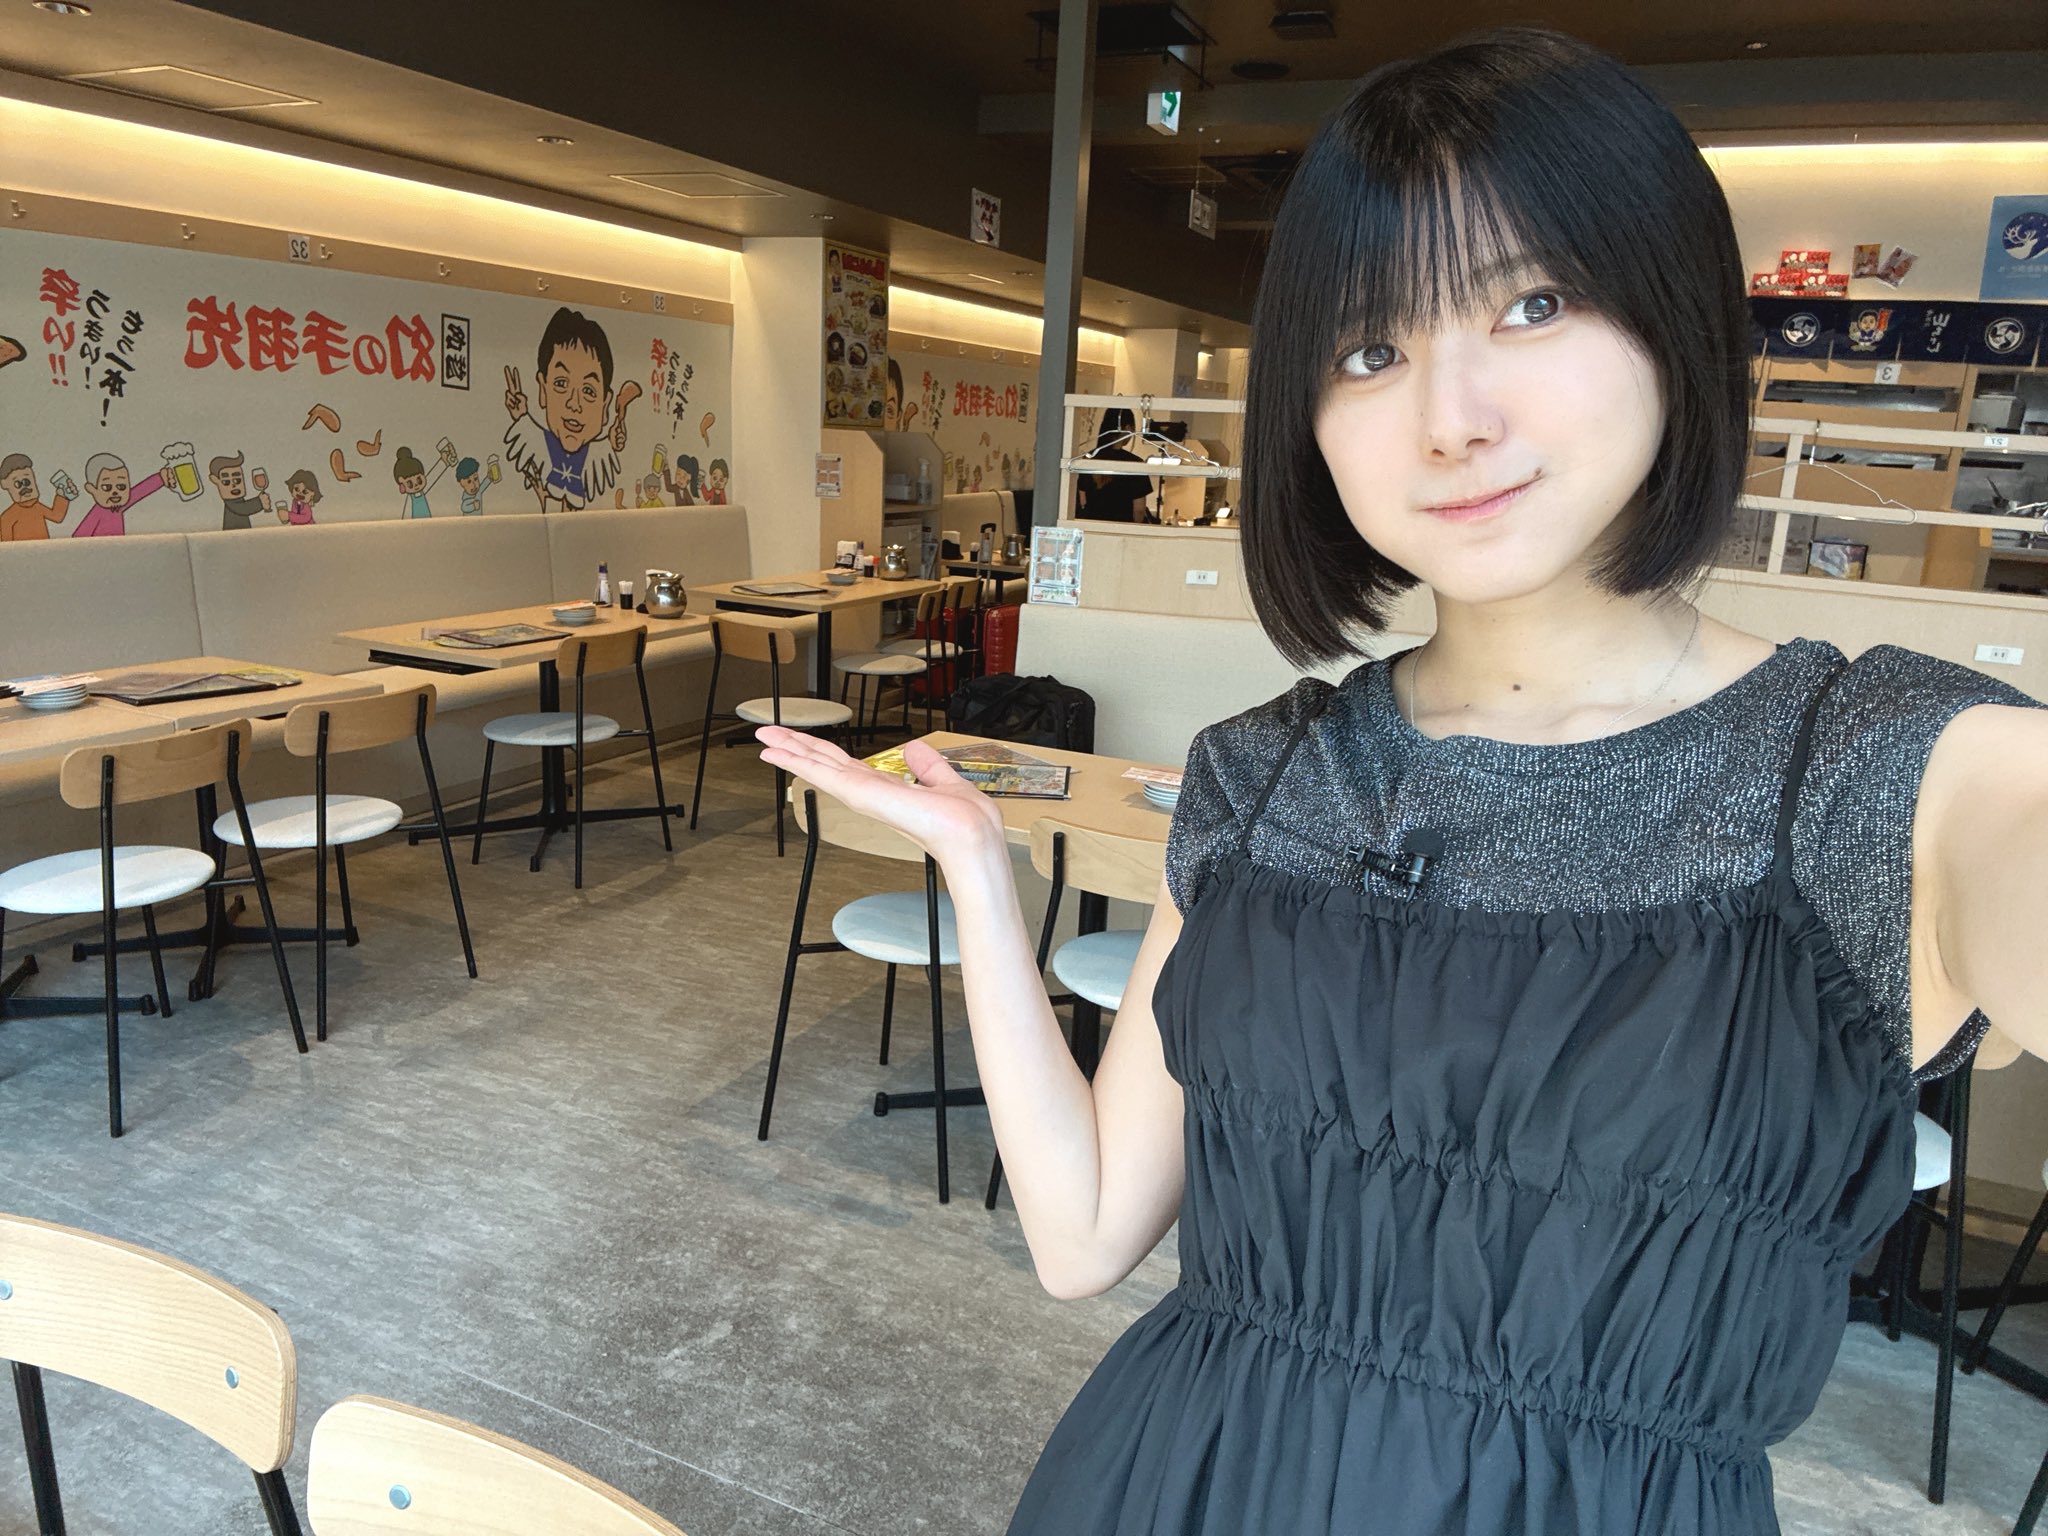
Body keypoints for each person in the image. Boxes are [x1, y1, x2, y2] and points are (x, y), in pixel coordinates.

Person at [758, 28, 2048, 1534]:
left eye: (1532, 303)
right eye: (1370, 349)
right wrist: (984, 877)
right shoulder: (1262, 776)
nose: (1450, 418)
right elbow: (1082, 1235)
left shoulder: (1877, 775)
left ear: (1675, 315)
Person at [1074, 407, 1149, 523]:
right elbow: (1138, 510)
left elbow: (1082, 500)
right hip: (1121, 528)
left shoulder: (1089, 458)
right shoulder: (1135, 464)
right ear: (1128, 428)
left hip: (1092, 526)